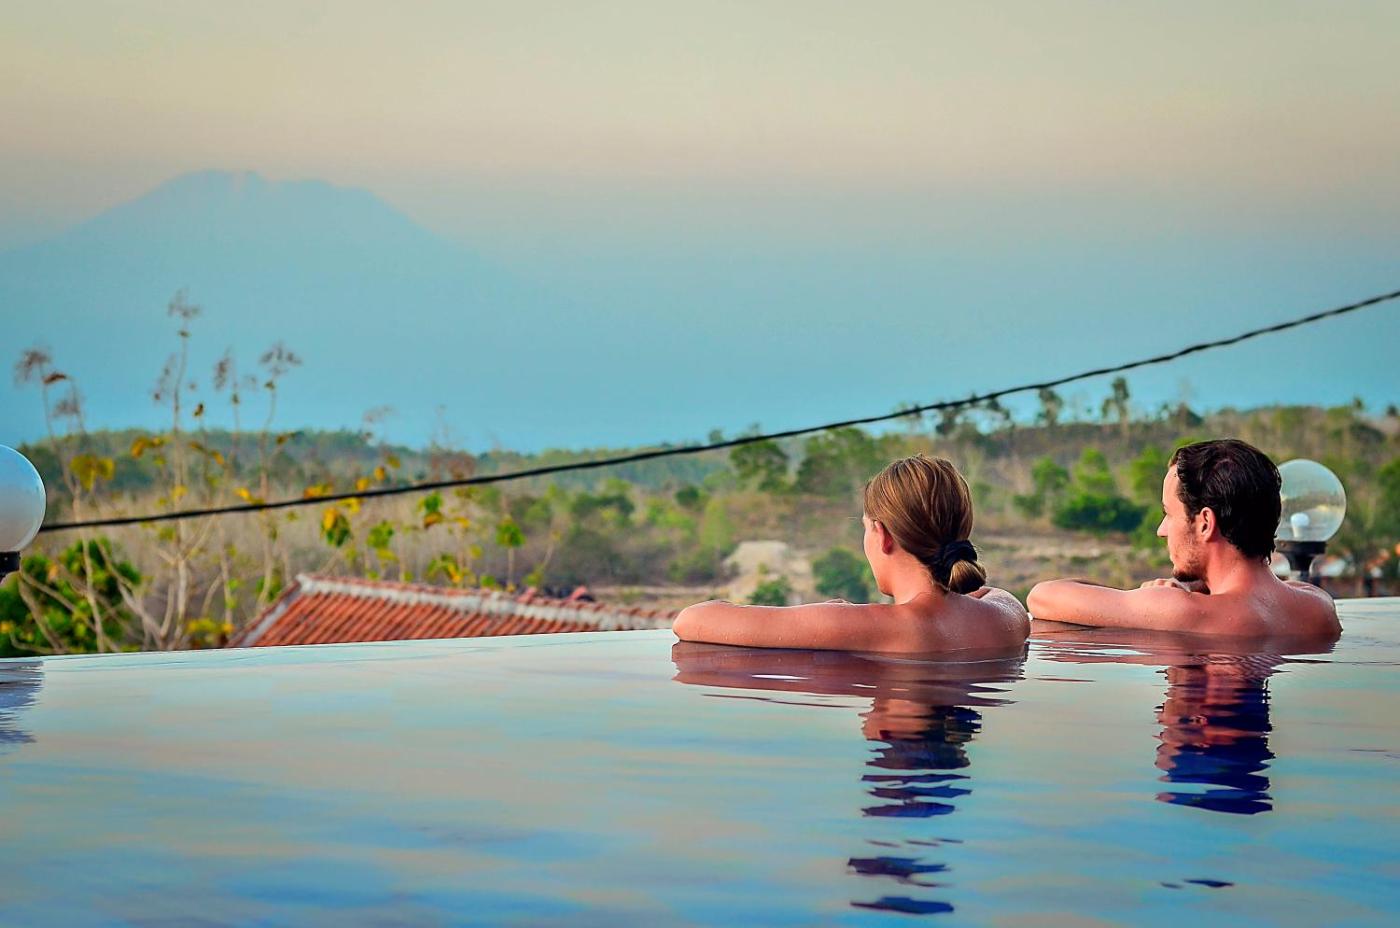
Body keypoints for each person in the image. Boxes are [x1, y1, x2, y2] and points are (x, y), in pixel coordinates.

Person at [672, 454, 1030, 653]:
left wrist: (830, 615)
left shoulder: (868, 627)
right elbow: (988, 595)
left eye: (865, 528)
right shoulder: (1008, 616)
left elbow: (691, 620)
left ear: (882, 536)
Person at [1027, 439, 1339, 636]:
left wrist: (1160, 595)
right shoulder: (1317, 607)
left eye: (1169, 514)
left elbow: (1043, 596)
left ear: (1205, 523)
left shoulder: (1182, 611)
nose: (1161, 530)